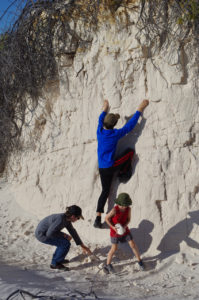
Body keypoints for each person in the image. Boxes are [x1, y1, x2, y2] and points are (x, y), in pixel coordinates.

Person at [94, 99, 149, 228]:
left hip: (102, 168)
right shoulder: (115, 134)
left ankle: (97, 218)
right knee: (129, 152)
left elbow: (100, 120)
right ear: (114, 125)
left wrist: (105, 109)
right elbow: (129, 126)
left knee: (104, 191)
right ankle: (123, 174)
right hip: (112, 166)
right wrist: (139, 110)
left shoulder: (99, 132)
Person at [35, 205, 92, 270]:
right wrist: (64, 235)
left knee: (63, 242)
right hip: (42, 235)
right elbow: (49, 234)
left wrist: (82, 245)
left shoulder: (67, 219)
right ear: (73, 216)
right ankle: (55, 264)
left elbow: (73, 232)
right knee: (65, 243)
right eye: (78, 218)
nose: (77, 220)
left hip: (46, 233)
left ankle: (58, 259)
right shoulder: (60, 219)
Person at [104, 193, 144, 274]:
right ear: (118, 203)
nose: (123, 207)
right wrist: (113, 227)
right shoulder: (114, 210)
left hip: (125, 230)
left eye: (125, 205)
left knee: (132, 244)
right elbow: (106, 219)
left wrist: (125, 226)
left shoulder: (128, 209)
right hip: (115, 232)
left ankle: (140, 261)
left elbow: (128, 219)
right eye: (122, 205)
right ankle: (108, 264)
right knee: (114, 248)